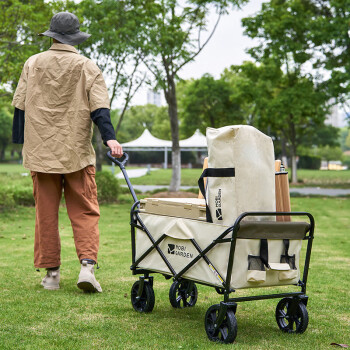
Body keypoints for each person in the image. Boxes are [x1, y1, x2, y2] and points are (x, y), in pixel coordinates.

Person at [11, 11, 123, 293]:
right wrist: (110, 139)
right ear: (74, 37)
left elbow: (20, 107)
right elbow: (100, 109)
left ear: (52, 35)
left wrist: (20, 143)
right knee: (84, 211)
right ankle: (86, 267)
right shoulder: (87, 66)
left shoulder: (32, 63)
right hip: (76, 152)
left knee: (45, 214)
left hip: (40, 151)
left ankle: (51, 275)